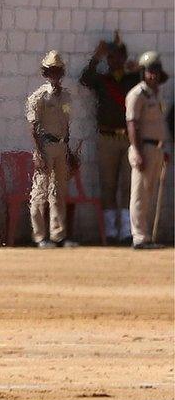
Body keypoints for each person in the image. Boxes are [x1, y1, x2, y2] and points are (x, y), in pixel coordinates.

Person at [79, 34, 141, 243]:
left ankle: (125, 229)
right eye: (111, 57)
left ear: (123, 58)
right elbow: (84, 79)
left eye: (117, 57)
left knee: (127, 184)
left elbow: (152, 82)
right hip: (106, 138)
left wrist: (138, 67)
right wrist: (96, 56)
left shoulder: (133, 79)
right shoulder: (102, 80)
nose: (113, 61)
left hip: (128, 139)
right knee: (107, 185)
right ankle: (110, 231)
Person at [26, 51, 77, 248]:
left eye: (57, 71)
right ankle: (40, 237)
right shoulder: (38, 97)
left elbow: (66, 123)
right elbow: (33, 126)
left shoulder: (65, 97)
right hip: (45, 146)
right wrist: (38, 152)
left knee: (59, 192)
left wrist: (68, 149)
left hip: (61, 145)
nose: (54, 75)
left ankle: (58, 236)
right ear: (45, 73)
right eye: (50, 71)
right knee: (40, 191)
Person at [125, 51, 170, 249]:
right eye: (150, 71)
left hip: (157, 148)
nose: (154, 75)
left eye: (156, 72)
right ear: (143, 72)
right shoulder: (137, 94)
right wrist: (137, 151)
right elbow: (132, 124)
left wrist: (163, 148)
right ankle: (139, 237)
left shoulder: (155, 95)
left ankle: (145, 234)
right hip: (143, 147)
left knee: (148, 194)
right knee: (140, 193)